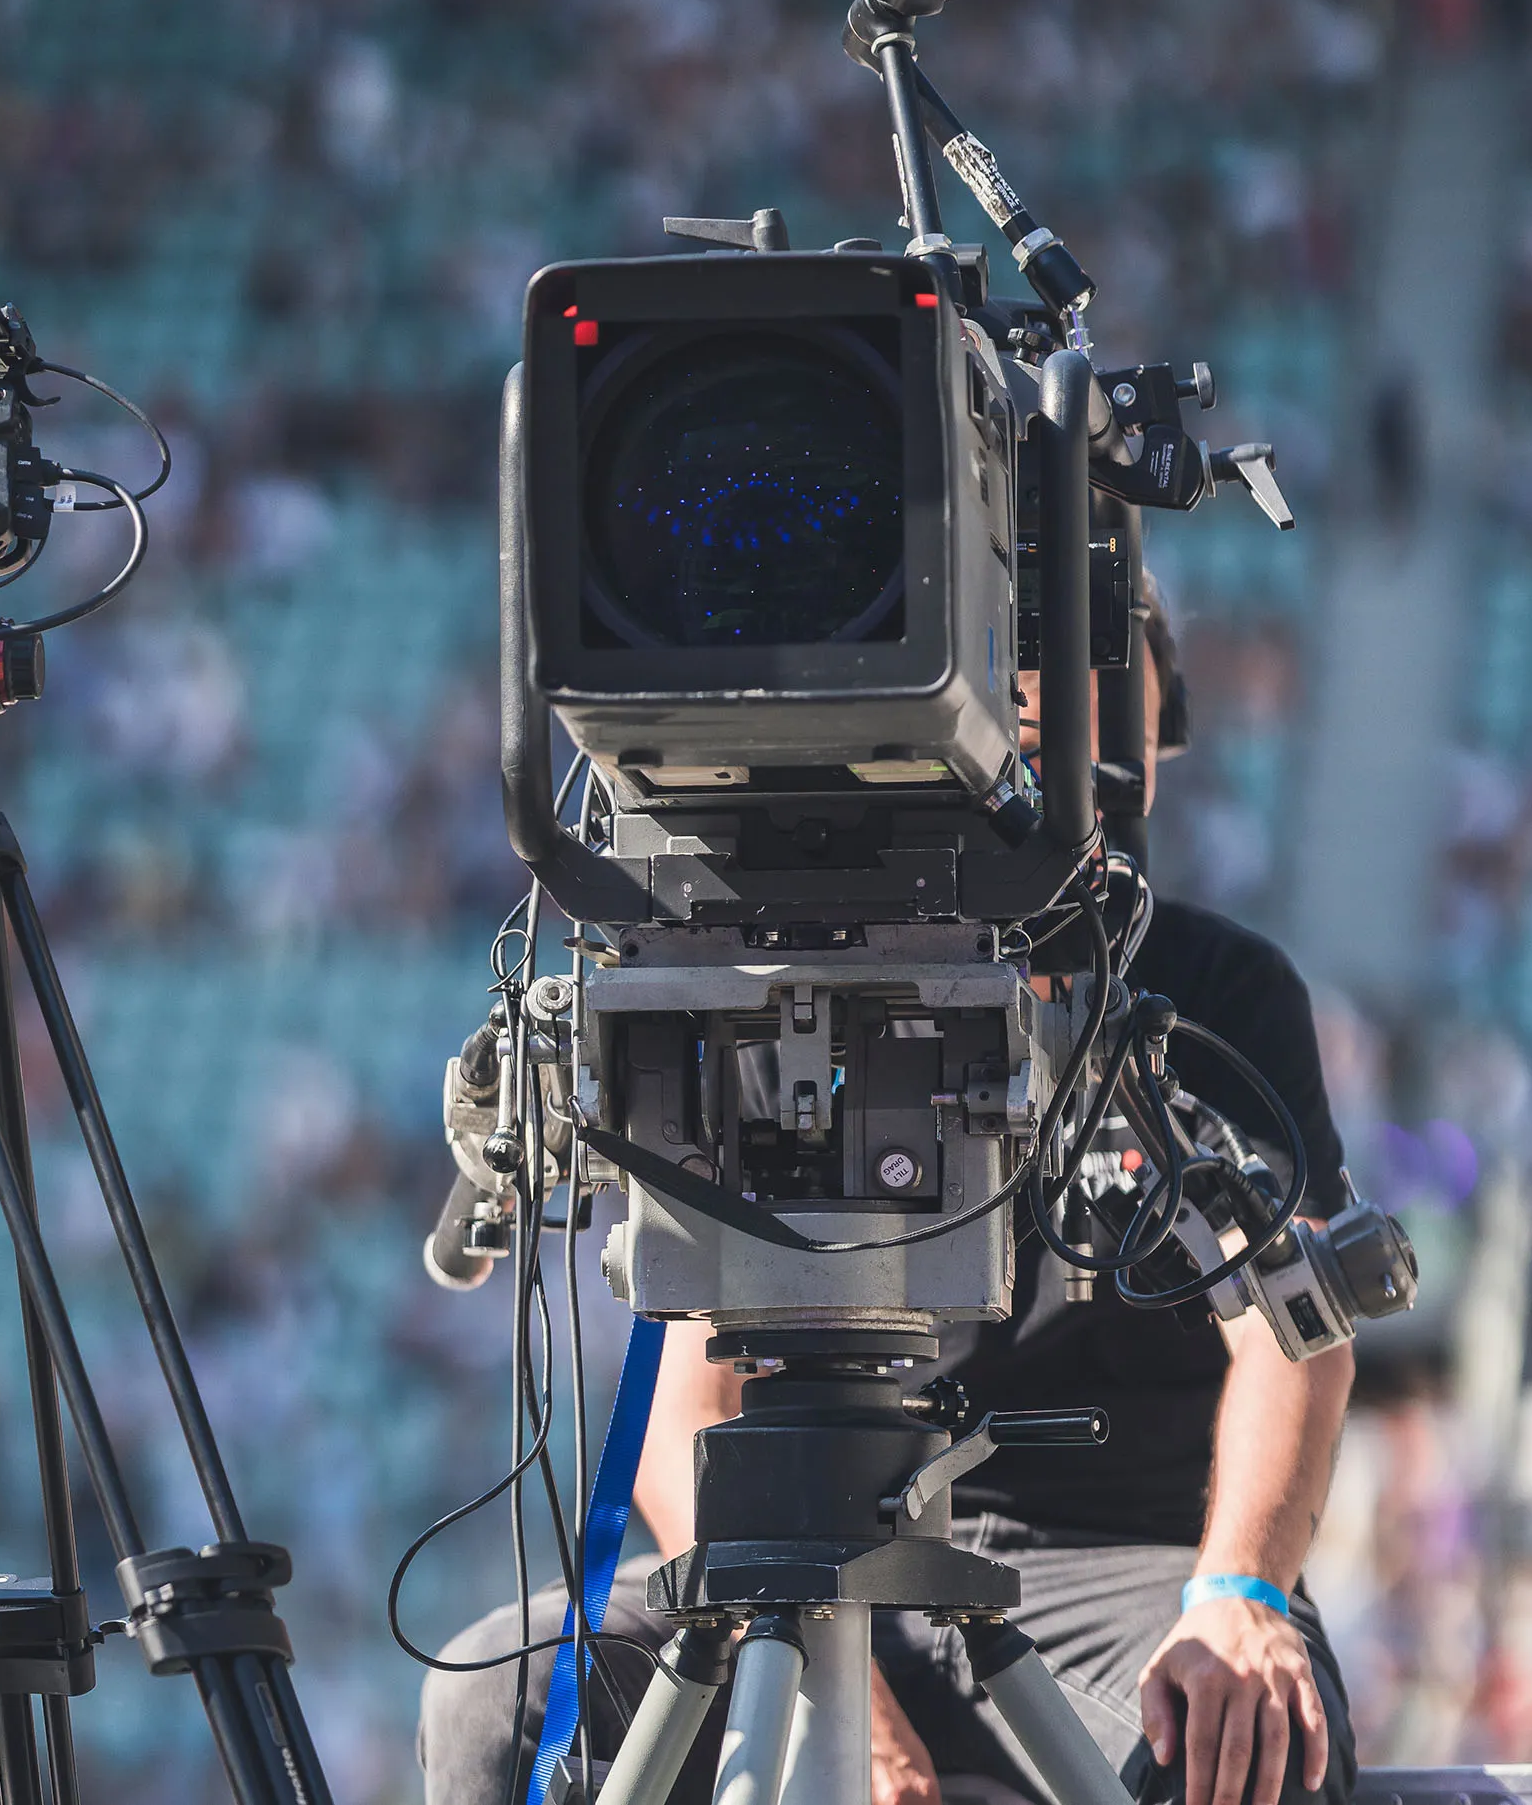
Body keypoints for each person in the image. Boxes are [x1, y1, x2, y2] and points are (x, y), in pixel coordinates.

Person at [421, 593, 1359, 1805]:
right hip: (814, 1553)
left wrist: (1236, 1591)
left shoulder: (1215, 989)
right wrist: (840, 1703)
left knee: (1245, 1729)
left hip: (1121, 1572)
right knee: (497, 1691)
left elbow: (1300, 1335)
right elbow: (682, 1404)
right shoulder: (769, 969)